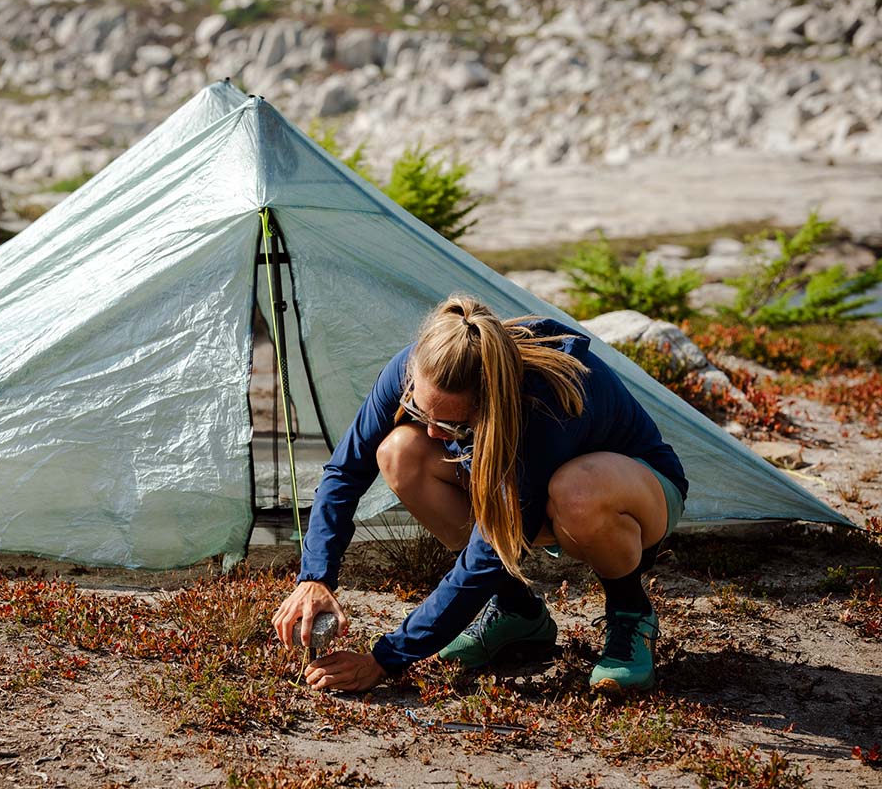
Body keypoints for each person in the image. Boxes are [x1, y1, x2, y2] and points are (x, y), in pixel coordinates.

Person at [271, 294, 687, 695]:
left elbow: (487, 553)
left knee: (576, 492)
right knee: (400, 452)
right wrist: (316, 576)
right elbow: (345, 471)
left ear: (490, 400)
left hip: (637, 494)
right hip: (532, 499)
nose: (434, 433)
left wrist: (386, 659)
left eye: (452, 425)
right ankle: (516, 611)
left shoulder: (541, 407)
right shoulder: (419, 365)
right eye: (422, 412)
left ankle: (631, 612)